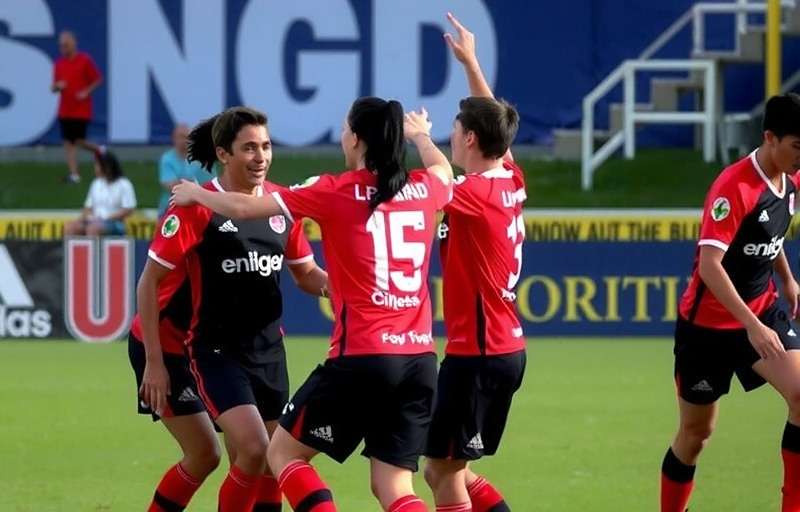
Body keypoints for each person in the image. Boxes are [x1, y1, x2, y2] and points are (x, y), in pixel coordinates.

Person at [172, 98, 453, 512]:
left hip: (362, 356)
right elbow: (445, 171)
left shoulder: (333, 190)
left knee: (282, 454)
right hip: (420, 360)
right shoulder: (427, 187)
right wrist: (422, 136)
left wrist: (196, 192)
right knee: (394, 487)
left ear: (355, 139)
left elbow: (245, 205)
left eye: (344, 128)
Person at [136, 106, 328, 511]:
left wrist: (349, 289)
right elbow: (149, 283)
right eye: (249, 148)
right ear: (224, 154)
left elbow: (307, 273)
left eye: (266, 146)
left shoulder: (279, 207)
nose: (260, 157)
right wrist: (154, 361)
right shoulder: (195, 206)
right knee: (234, 451)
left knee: (270, 459)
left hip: (263, 349)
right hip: (184, 344)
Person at [660, 93, 800, 512]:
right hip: (706, 329)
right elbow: (709, 266)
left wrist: (788, 281)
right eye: (797, 146)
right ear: (769, 138)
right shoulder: (733, 186)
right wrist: (752, 328)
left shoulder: (792, 177)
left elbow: (766, 236)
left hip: (763, 308)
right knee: (695, 435)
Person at [421, 13, 526, 512]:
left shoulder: (472, 195)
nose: (448, 134)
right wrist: (471, 63)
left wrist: (417, 134)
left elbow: (437, 178)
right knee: (449, 468)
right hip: (498, 350)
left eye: (452, 128)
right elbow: (495, 130)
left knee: (442, 470)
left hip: (479, 356)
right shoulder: (507, 180)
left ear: (467, 140)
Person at [51, 30, 102, 184]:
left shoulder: (84, 60)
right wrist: (57, 86)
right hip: (65, 109)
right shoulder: (59, 64)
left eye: (66, 44)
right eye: (61, 45)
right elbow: (53, 88)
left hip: (80, 109)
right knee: (68, 142)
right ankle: (74, 174)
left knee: (78, 141)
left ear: (73, 44)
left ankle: (99, 150)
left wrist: (86, 92)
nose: (63, 48)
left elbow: (97, 79)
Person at [64, 150, 136, 236]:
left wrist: (105, 218)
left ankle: (94, 249)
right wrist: (82, 219)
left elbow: (128, 210)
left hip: (115, 223)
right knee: (70, 227)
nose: (95, 168)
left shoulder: (124, 184)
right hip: (94, 220)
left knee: (93, 229)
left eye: (97, 165)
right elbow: (88, 207)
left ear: (107, 167)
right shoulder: (96, 183)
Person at [158, 123, 213, 218]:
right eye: (181, 137)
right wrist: (194, 185)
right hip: (171, 208)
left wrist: (185, 184)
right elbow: (172, 187)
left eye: (187, 137)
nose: (184, 140)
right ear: (174, 138)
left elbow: (212, 184)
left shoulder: (202, 158)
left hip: (200, 207)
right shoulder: (167, 159)